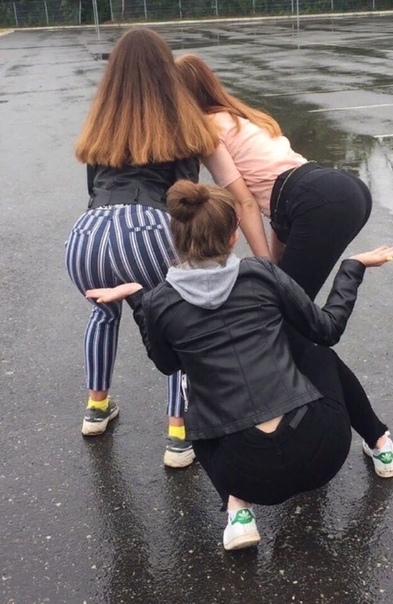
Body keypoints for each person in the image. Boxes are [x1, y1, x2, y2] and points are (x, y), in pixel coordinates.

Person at [86, 180, 393, 551]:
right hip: (322, 452)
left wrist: (138, 300)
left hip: (244, 473)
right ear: (233, 235)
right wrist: (352, 266)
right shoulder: (261, 274)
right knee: (318, 352)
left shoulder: (160, 301)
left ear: (176, 239)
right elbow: (327, 329)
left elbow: (168, 364)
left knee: (191, 387)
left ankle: (238, 512)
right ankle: (380, 444)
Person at [65, 29, 219, 468]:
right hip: (149, 224)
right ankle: (178, 434)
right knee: (178, 322)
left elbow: (93, 189)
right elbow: (184, 195)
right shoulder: (179, 120)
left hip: (86, 234)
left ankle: (97, 407)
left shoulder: (103, 121)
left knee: (103, 312)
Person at [176, 54, 373, 301]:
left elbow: (244, 202)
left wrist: (266, 266)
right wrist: (277, 255)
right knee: (293, 301)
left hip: (318, 197)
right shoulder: (241, 118)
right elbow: (282, 192)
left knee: (285, 304)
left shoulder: (208, 131)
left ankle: (337, 297)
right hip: (343, 189)